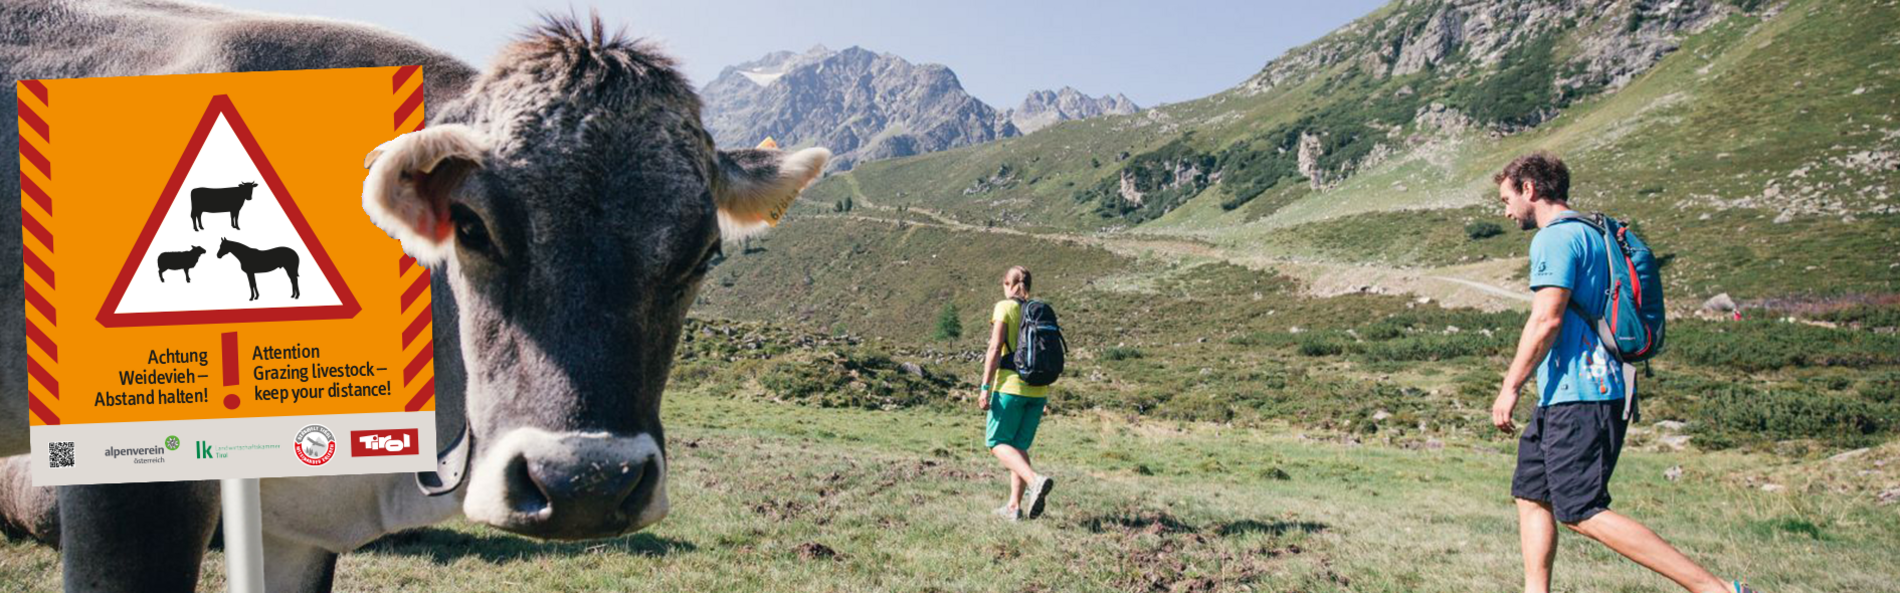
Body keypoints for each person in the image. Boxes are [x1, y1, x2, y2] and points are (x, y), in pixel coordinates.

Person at [1489, 152, 1757, 593]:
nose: (1506, 210)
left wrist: (1510, 386)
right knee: (1531, 492)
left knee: (1580, 508)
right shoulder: (1596, 232)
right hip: (1570, 391)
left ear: (1530, 189)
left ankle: (1718, 590)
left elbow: (1546, 320)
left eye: (1507, 198)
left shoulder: (1554, 239)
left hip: (1585, 391)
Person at [977, 265, 1054, 521]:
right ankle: (1014, 507)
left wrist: (985, 387)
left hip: (1010, 387)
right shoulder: (1038, 311)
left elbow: (995, 347)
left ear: (1008, 285)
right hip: (1038, 390)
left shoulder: (1005, 307)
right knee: (1018, 447)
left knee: (996, 443)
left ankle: (1034, 481)